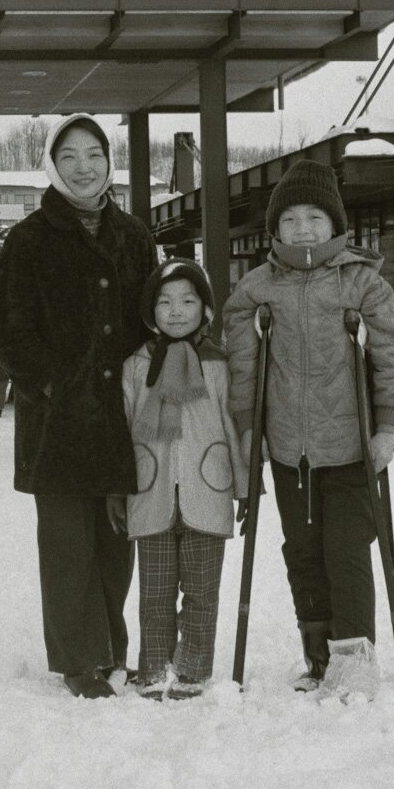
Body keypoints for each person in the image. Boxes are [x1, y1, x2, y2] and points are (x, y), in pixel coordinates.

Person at [223, 158, 394, 698]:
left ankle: (355, 664)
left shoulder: (363, 283)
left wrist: (388, 427)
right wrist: (248, 429)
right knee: (302, 551)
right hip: (288, 449)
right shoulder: (257, 289)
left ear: (334, 225)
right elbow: (243, 368)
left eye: (313, 218)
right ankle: (319, 658)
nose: (302, 229)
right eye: (289, 220)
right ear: (274, 229)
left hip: (350, 447)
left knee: (346, 551)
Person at [0, 112, 158, 699]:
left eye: (93, 155)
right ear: (52, 167)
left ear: (109, 162)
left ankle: (113, 652)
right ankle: (77, 660)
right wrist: (52, 386)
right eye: (69, 158)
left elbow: (154, 316)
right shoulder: (30, 239)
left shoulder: (135, 234)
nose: (83, 168)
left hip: (121, 415)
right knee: (66, 546)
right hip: (58, 424)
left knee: (116, 544)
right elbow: (10, 332)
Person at [114, 259, 245, 700]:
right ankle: (153, 668)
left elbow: (232, 424)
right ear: (151, 310)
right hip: (151, 494)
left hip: (208, 490)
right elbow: (124, 424)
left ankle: (192, 670)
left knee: (202, 594)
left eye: (188, 301)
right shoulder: (136, 365)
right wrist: (118, 486)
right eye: (165, 302)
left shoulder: (218, 364)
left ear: (206, 310)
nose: (176, 311)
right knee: (154, 594)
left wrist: (244, 487)